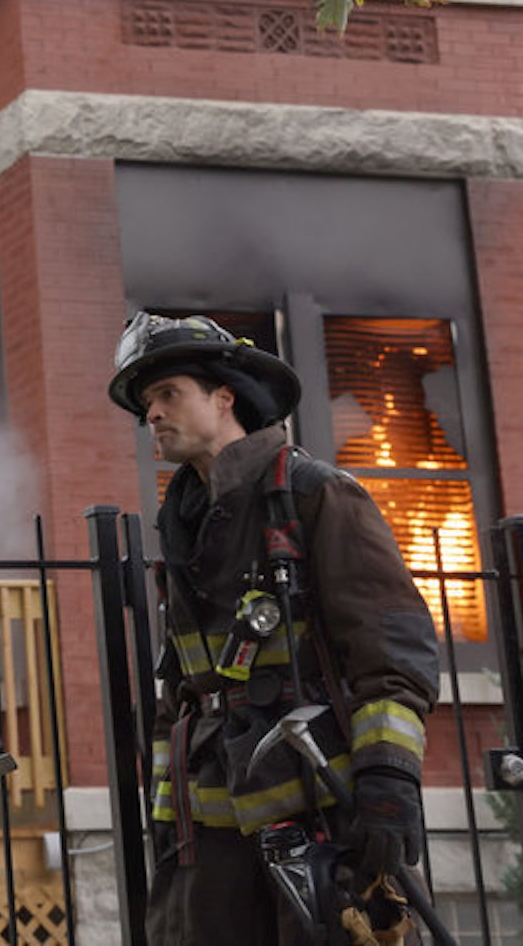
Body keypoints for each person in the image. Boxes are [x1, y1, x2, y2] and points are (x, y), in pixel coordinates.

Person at [108, 312, 439, 944]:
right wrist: (163, 810)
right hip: (209, 827)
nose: (151, 413)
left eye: (168, 393)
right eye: (146, 402)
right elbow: (179, 689)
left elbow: (390, 648)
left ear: (224, 397)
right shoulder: (183, 527)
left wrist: (389, 776)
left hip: (319, 805)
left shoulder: (314, 495)